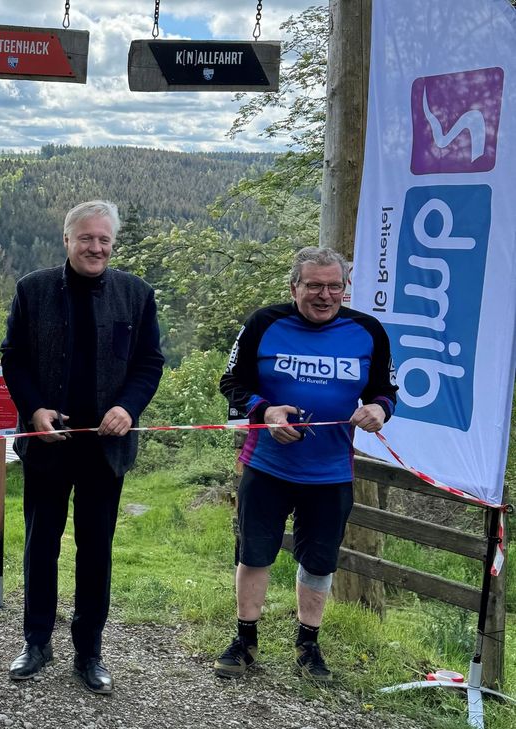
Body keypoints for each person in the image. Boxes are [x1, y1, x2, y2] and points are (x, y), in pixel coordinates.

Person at [0, 200, 165, 694]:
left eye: (104, 240)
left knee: (96, 551)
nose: (96, 248)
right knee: (40, 547)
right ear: (67, 240)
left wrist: (129, 408)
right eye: (86, 238)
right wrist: (33, 410)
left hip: (105, 449)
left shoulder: (135, 294)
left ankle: (89, 652)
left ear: (113, 244)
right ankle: (36, 642)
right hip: (49, 445)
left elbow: (149, 363)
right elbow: (14, 359)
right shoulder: (33, 290)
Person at [215, 246, 397, 682]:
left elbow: (386, 390)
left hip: (331, 471)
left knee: (319, 561)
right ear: (294, 286)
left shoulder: (368, 330)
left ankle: (308, 645)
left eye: (335, 286)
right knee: (255, 553)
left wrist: (380, 411)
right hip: (268, 465)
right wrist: (266, 412)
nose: (325, 294)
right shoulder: (264, 323)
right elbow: (231, 382)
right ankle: (245, 640)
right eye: (314, 285)